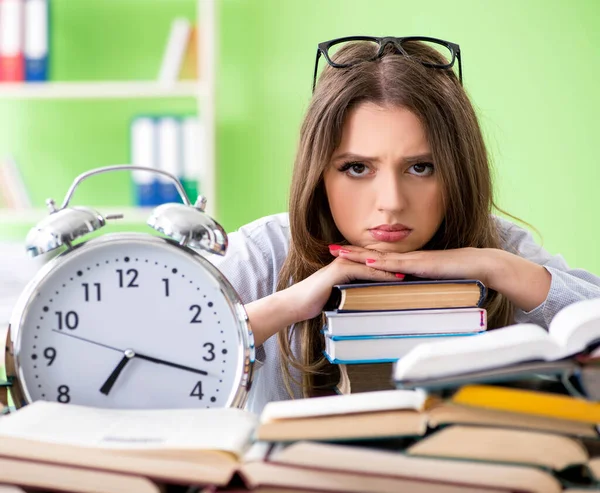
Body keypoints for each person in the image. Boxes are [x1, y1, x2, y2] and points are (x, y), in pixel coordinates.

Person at [212, 36, 600, 414]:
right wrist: (287, 304)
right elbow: (163, 366)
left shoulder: (501, 249)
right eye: (357, 168)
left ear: (457, 171)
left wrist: (498, 268)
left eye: (421, 168)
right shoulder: (265, 253)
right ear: (318, 174)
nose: (392, 203)